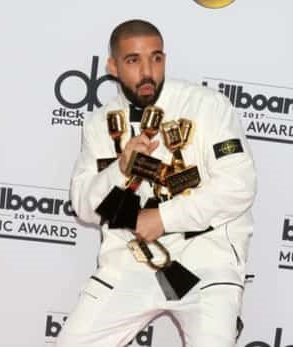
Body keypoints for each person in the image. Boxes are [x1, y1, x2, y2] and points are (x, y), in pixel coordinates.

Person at [57, 19, 256, 347]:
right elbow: (85, 208)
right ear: (113, 66)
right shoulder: (99, 124)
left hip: (206, 262)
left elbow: (238, 186)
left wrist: (163, 218)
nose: (147, 71)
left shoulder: (205, 106)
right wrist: (120, 168)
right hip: (129, 262)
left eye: (156, 58)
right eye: (134, 60)